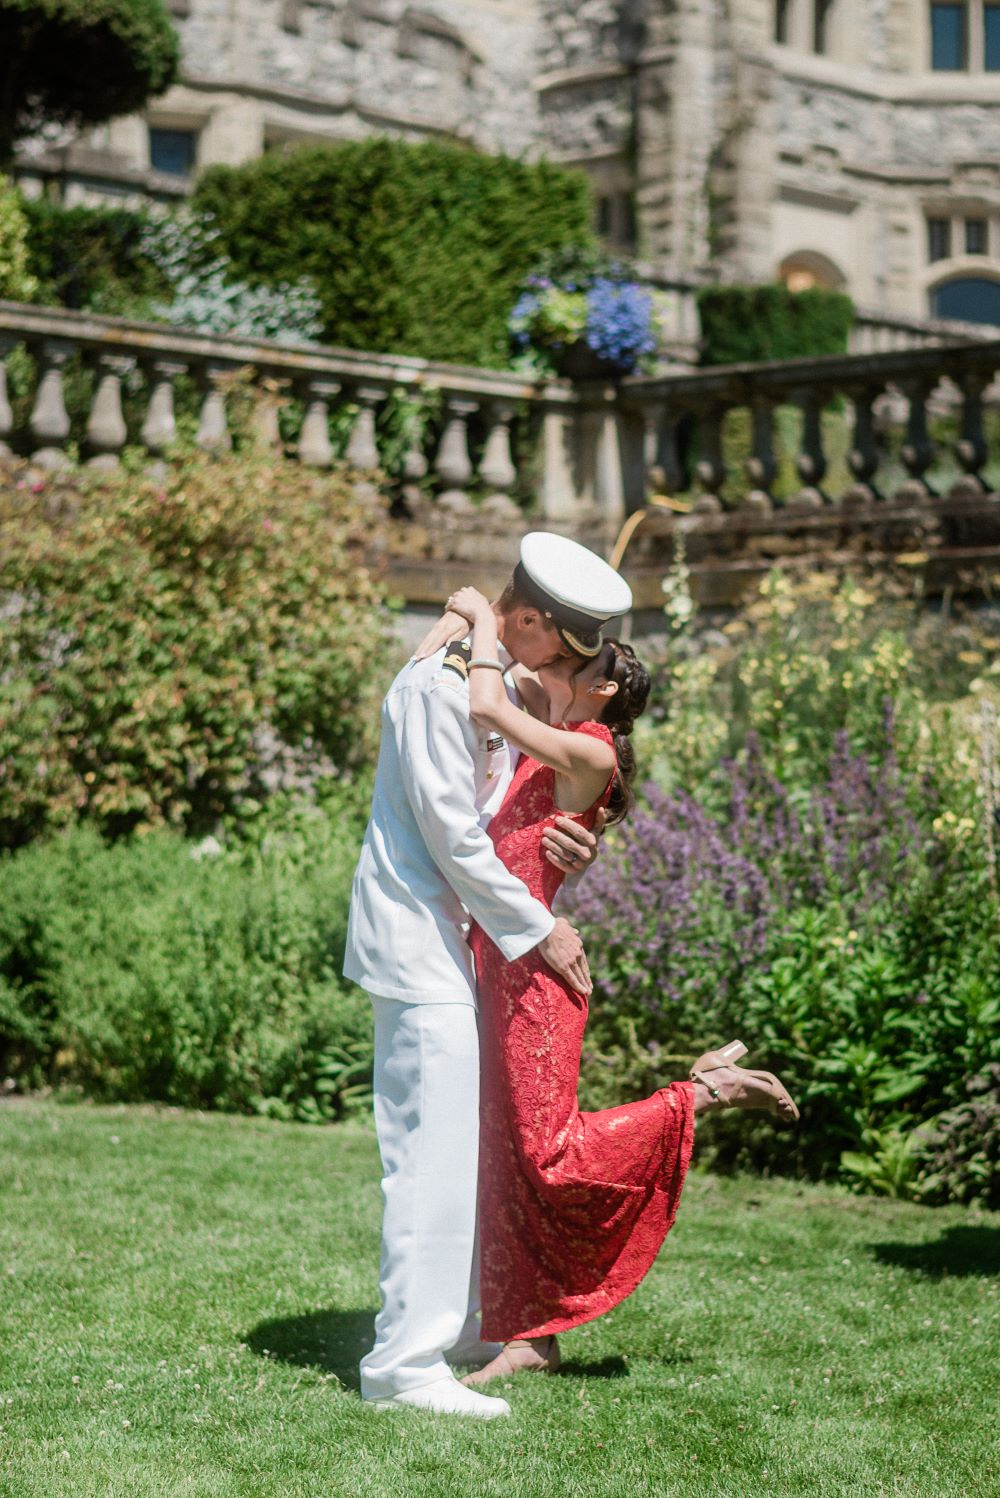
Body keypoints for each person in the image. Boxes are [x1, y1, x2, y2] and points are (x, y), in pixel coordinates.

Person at [436, 585, 798, 1388]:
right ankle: (530, 1335)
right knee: (508, 1159)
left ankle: (698, 1095)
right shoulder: (561, 736)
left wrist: (483, 618)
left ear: (600, 688)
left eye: (584, 655)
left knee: (549, 1152)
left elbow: (490, 702)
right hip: (496, 964)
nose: (562, 653)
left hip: (537, 976)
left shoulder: (589, 747)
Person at [343, 532, 634, 1419]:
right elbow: (451, 833)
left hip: (455, 945)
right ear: (538, 623)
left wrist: (559, 856)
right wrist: (540, 926)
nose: (564, 676)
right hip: (417, 940)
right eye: (567, 654)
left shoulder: (484, 680)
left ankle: (457, 1322)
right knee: (426, 1159)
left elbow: (498, 816)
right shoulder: (437, 687)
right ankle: (404, 1367)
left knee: (456, 1150)